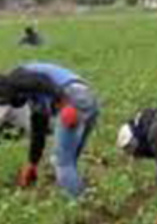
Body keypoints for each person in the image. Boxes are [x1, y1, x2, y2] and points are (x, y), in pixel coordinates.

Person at [0, 62, 99, 198]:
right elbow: (38, 130)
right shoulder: (35, 97)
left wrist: (65, 103)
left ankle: (80, 202)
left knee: (61, 162)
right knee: (69, 161)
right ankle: (84, 196)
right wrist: (32, 163)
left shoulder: (16, 78)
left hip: (72, 97)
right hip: (86, 97)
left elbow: (41, 81)